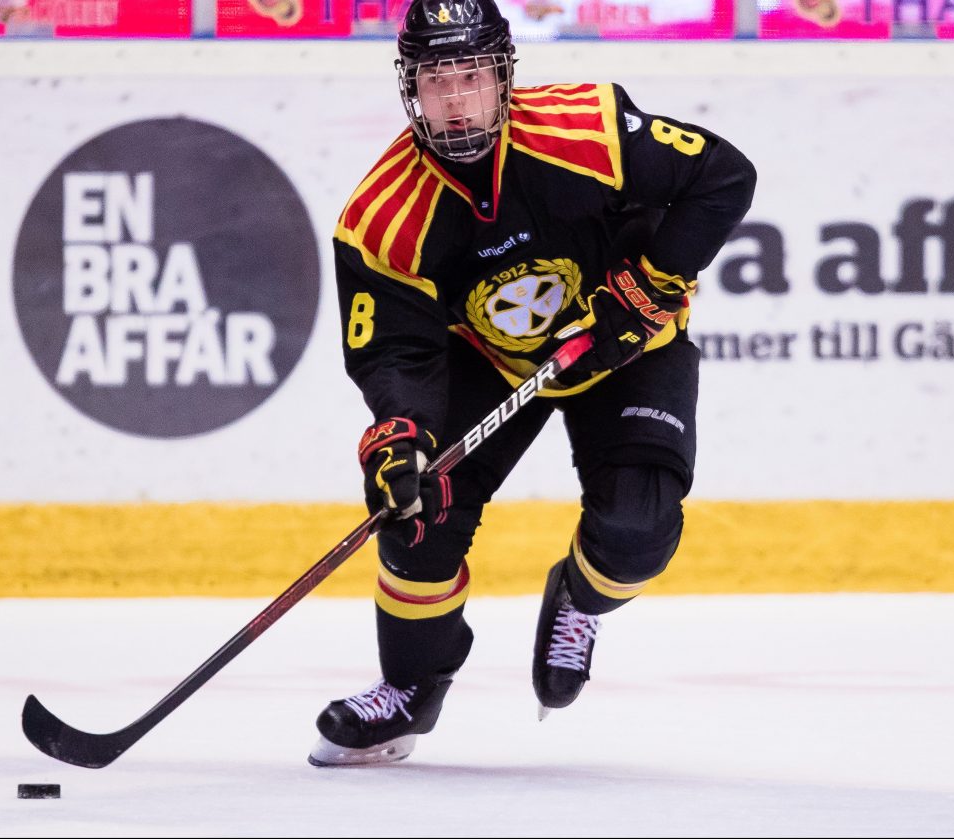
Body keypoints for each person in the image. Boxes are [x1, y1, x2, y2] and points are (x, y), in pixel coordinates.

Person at [308, 0, 757, 767]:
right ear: (410, 89)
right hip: (490, 356)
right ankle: (410, 687)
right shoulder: (382, 216)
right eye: (436, 81)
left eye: (472, 76)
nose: (457, 101)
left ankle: (579, 598)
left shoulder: (587, 129)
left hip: (625, 340)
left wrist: (648, 286)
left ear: (505, 76)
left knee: (637, 533)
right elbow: (396, 350)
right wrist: (401, 434)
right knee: (415, 508)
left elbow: (722, 176)